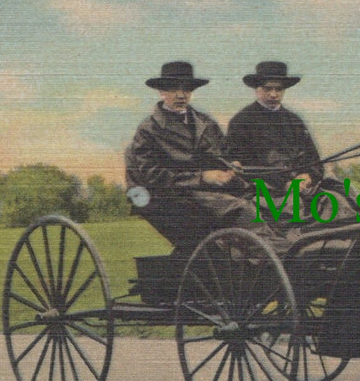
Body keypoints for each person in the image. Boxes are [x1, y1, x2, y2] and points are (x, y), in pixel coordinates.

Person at [125, 61, 292, 254]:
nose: (181, 95)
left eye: (186, 89)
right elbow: (150, 176)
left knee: (269, 199)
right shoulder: (149, 129)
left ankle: (279, 246)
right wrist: (203, 177)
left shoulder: (205, 122)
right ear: (161, 91)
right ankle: (278, 252)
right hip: (172, 196)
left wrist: (231, 165)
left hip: (212, 190)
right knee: (239, 208)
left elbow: (223, 153)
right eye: (173, 89)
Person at [226, 61, 324, 194]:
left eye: (279, 89)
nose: (273, 94)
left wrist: (306, 177)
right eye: (267, 88)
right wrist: (283, 184)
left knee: (339, 200)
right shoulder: (241, 122)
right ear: (257, 89)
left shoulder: (295, 121)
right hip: (261, 189)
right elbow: (240, 166)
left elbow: (313, 159)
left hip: (301, 187)